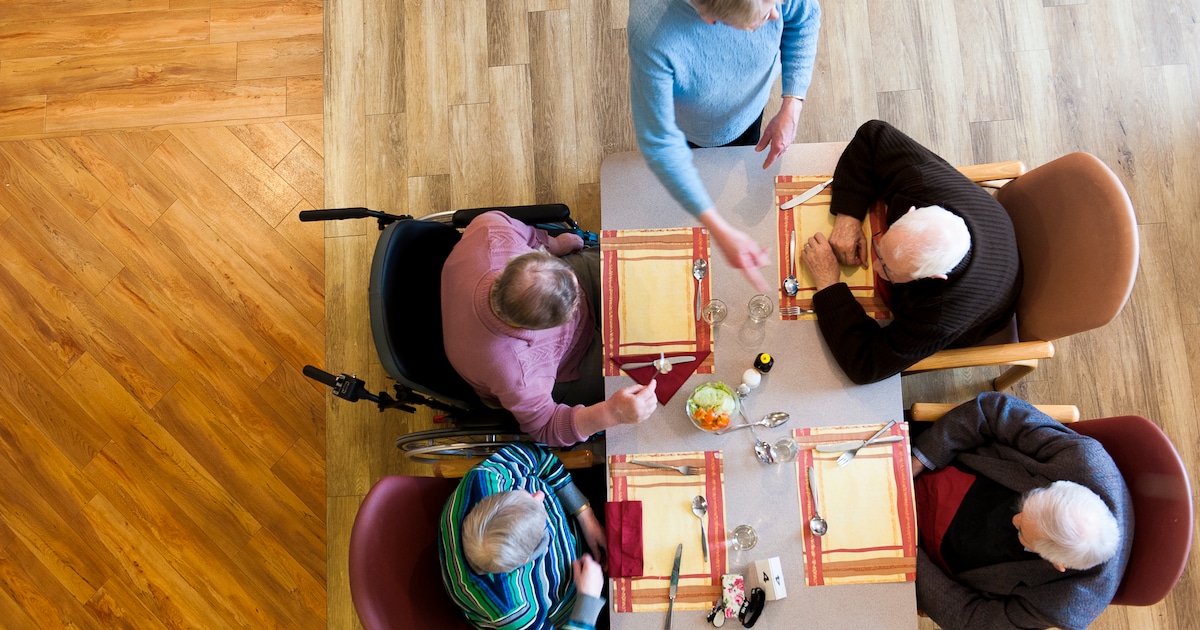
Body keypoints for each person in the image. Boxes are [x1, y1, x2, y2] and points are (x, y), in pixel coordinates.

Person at [801, 119, 1021, 384]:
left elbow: (865, 365)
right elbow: (873, 135)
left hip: (982, 312)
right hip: (993, 229)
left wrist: (828, 282)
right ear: (910, 211)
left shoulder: (939, 316)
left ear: (935, 277)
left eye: (889, 270)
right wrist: (849, 216)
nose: (876, 266)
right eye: (880, 247)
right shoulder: (922, 185)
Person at [628, 0, 822, 292]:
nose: (775, 15)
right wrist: (718, 229)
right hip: (694, 131)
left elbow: (804, 18)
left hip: (748, 112)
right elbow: (661, 143)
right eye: (760, 20)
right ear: (709, 19)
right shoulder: (651, 34)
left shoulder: (769, 3)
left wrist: (792, 104)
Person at [910, 393, 1132, 630]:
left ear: (1056, 563)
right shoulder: (1083, 461)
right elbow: (991, 411)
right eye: (1028, 501)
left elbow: (972, 621)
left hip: (927, 561)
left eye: (1022, 530)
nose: (1015, 517)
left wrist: (907, 556)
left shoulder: (1064, 606)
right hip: (940, 467)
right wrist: (921, 460)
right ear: (1064, 485)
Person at [441, 211, 658, 447]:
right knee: (650, 370)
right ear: (536, 329)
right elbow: (546, 428)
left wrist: (553, 244)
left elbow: (526, 234)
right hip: (567, 364)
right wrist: (612, 412)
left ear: (526, 259)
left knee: (640, 270)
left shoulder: (492, 230)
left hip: (548, 291)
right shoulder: (517, 375)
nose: (577, 306)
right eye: (571, 312)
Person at [439, 443, 607, 630]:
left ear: (491, 501)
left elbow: (540, 459)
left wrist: (585, 515)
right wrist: (588, 600)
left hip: (579, 517)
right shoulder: (511, 611)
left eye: (523, 493)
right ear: (526, 559)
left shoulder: (486, 478)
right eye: (543, 518)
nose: (540, 495)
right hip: (583, 599)